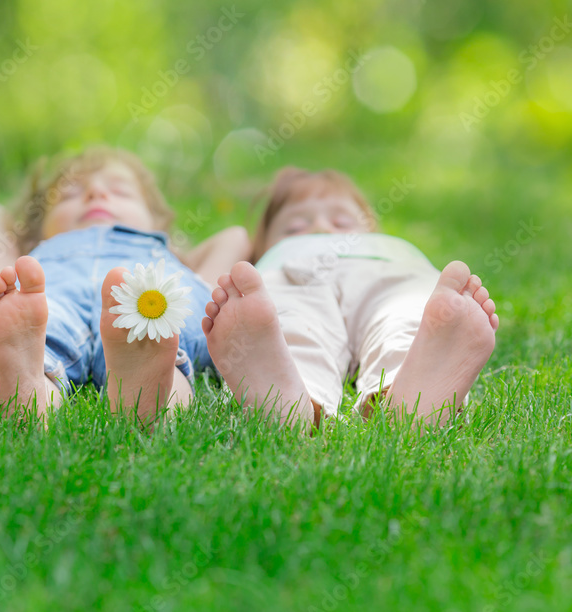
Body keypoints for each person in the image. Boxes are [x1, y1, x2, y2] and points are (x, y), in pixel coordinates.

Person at [201, 167, 499, 430]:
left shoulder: (388, 247)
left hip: (385, 272)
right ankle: (291, 403)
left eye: (342, 221)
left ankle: (408, 397)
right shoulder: (273, 261)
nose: (320, 228)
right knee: (288, 322)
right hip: (294, 273)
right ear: (262, 248)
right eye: (294, 228)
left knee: (406, 316)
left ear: (370, 229)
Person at [0, 146, 249, 422]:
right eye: (70, 194)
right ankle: (24, 389)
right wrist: (5, 282)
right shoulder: (37, 257)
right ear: (39, 230)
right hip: (49, 296)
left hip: (149, 297)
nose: (96, 194)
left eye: (121, 191)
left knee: (160, 331)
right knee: (42, 329)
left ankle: (153, 382)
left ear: (155, 223)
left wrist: (177, 255)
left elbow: (234, 237)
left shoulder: (159, 247)